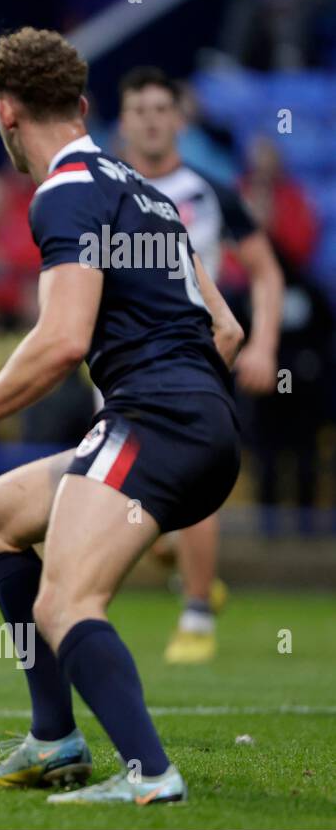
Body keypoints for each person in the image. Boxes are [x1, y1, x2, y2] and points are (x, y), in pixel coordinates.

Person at [0, 28, 244, 804]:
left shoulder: (64, 191)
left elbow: (61, 341)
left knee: (64, 602)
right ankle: (55, 738)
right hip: (193, 418)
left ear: (4, 114)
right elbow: (226, 329)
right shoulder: (146, 190)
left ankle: (152, 777)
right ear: (85, 105)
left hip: (158, 419)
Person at [115, 66, 283, 664]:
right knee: (137, 514)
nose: (153, 121)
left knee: (190, 484)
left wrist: (263, 345)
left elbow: (265, 271)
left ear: (179, 120)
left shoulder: (211, 191)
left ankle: (196, 615)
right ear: (123, 121)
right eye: (141, 111)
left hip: (192, 357)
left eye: (163, 109)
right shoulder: (110, 193)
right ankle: (189, 573)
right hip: (119, 364)